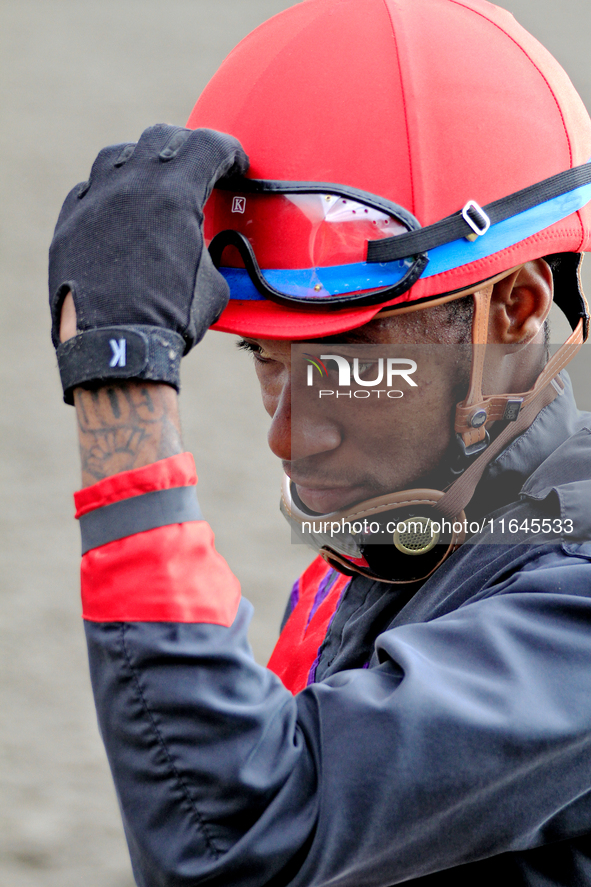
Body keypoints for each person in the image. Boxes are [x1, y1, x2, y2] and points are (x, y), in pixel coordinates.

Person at [48, 0, 591, 883]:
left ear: (516, 307)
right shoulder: (409, 528)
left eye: (343, 359)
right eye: (267, 357)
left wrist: (121, 379)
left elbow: (232, 844)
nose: (286, 434)